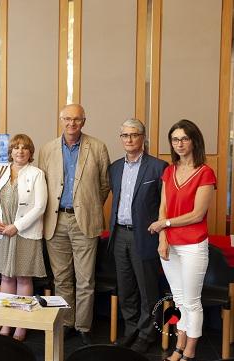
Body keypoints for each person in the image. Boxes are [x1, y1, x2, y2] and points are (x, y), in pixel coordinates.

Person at [38, 104, 110, 345]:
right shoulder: (47, 149)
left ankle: (83, 326)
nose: (72, 124)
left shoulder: (98, 147)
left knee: (86, 279)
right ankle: (67, 322)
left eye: (77, 119)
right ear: (60, 120)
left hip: (85, 222)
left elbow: (103, 185)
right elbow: (42, 184)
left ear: (84, 121)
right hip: (55, 221)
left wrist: (86, 206)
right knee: (61, 278)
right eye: (67, 119)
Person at [148, 119, 215, 361]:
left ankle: (189, 351)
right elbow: (163, 209)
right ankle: (179, 346)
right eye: (175, 139)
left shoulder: (205, 172)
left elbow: (197, 214)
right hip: (170, 245)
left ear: (194, 141)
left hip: (193, 245)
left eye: (184, 138)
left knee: (192, 301)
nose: (179, 144)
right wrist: (163, 238)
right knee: (177, 299)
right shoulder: (169, 171)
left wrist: (164, 225)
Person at [108, 119, 168, 353]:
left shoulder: (158, 167)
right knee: (126, 288)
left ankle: (147, 333)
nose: (129, 139)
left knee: (147, 289)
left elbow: (165, 205)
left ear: (143, 137)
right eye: (125, 135)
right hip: (119, 234)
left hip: (145, 236)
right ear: (121, 138)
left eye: (134, 135)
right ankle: (131, 329)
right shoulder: (114, 167)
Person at [0, 133, 47, 341]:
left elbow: (40, 206)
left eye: (24, 148)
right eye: (16, 147)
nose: (20, 151)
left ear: (30, 153)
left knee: (23, 276)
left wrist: (16, 226)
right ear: (10, 151)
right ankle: (6, 323)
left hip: (24, 232)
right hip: (3, 232)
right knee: (6, 277)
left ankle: (21, 325)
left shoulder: (37, 173)